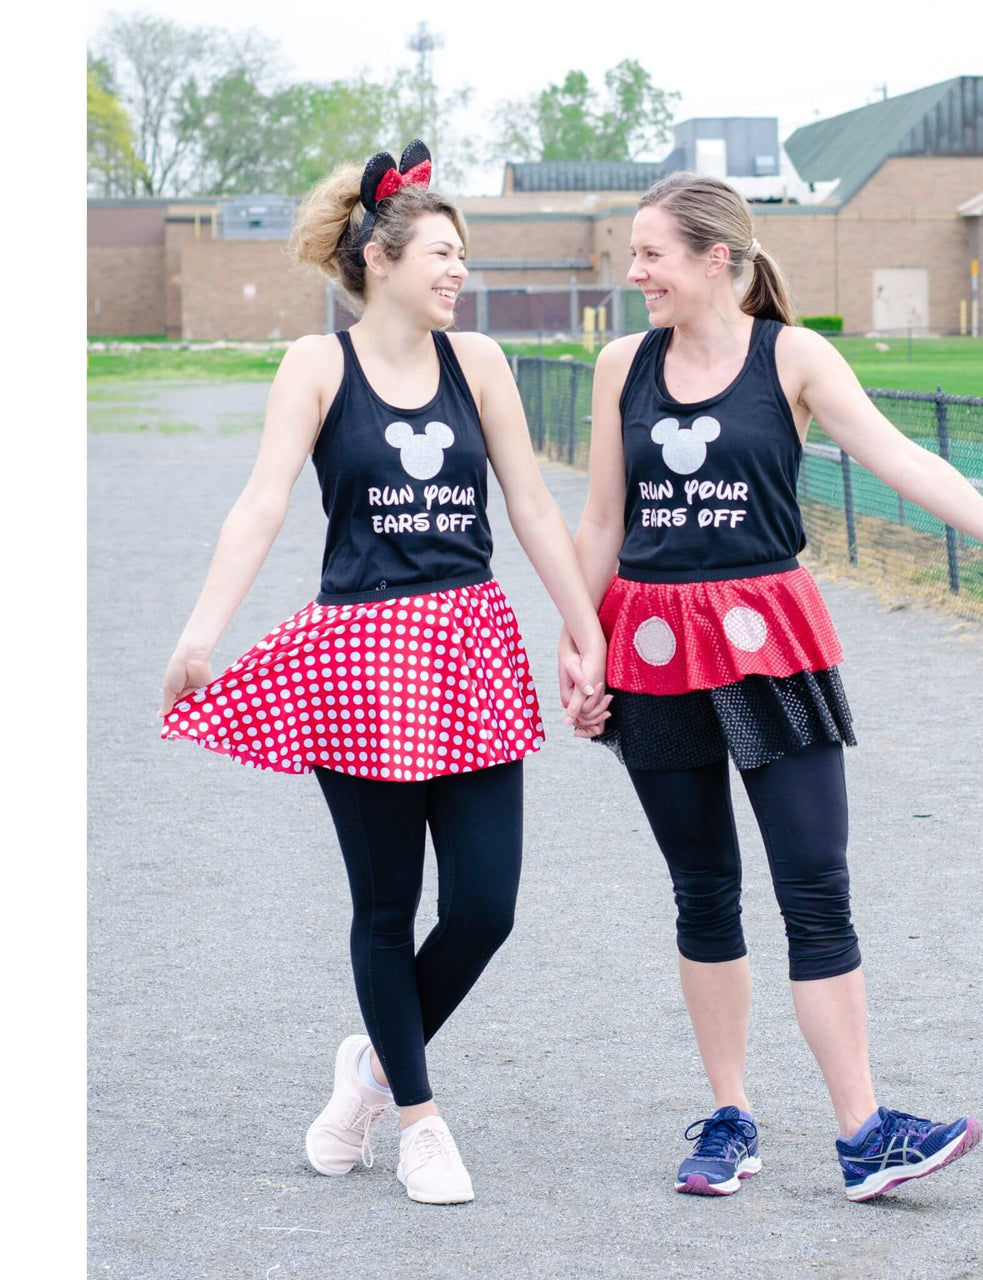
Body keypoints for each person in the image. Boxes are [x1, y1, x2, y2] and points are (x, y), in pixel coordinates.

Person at [559, 172, 983, 1202]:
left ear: (716, 259)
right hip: (652, 645)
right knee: (702, 890)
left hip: (768, 640)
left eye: (651, 254)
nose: (633, 271)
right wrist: (577, 643)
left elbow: (900, 460)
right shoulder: (619, 366)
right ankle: (729, 1116)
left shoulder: (793, 357)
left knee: (815, 886)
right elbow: (602, 520)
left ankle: (864, 1134)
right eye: (633, 253)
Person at [160, 142, 609, 1206]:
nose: (460, 270)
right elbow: (263, 502)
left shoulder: (480, 363)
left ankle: (367, 1070)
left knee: (485, 906)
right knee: (385, 905)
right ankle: (418, 1121)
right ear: (382, 257)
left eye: (462, 254)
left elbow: (531, 506)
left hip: (469, 649)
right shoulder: (317, 367)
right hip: (358, 660)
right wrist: (200, 633)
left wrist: (583, 627)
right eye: (443, 252)